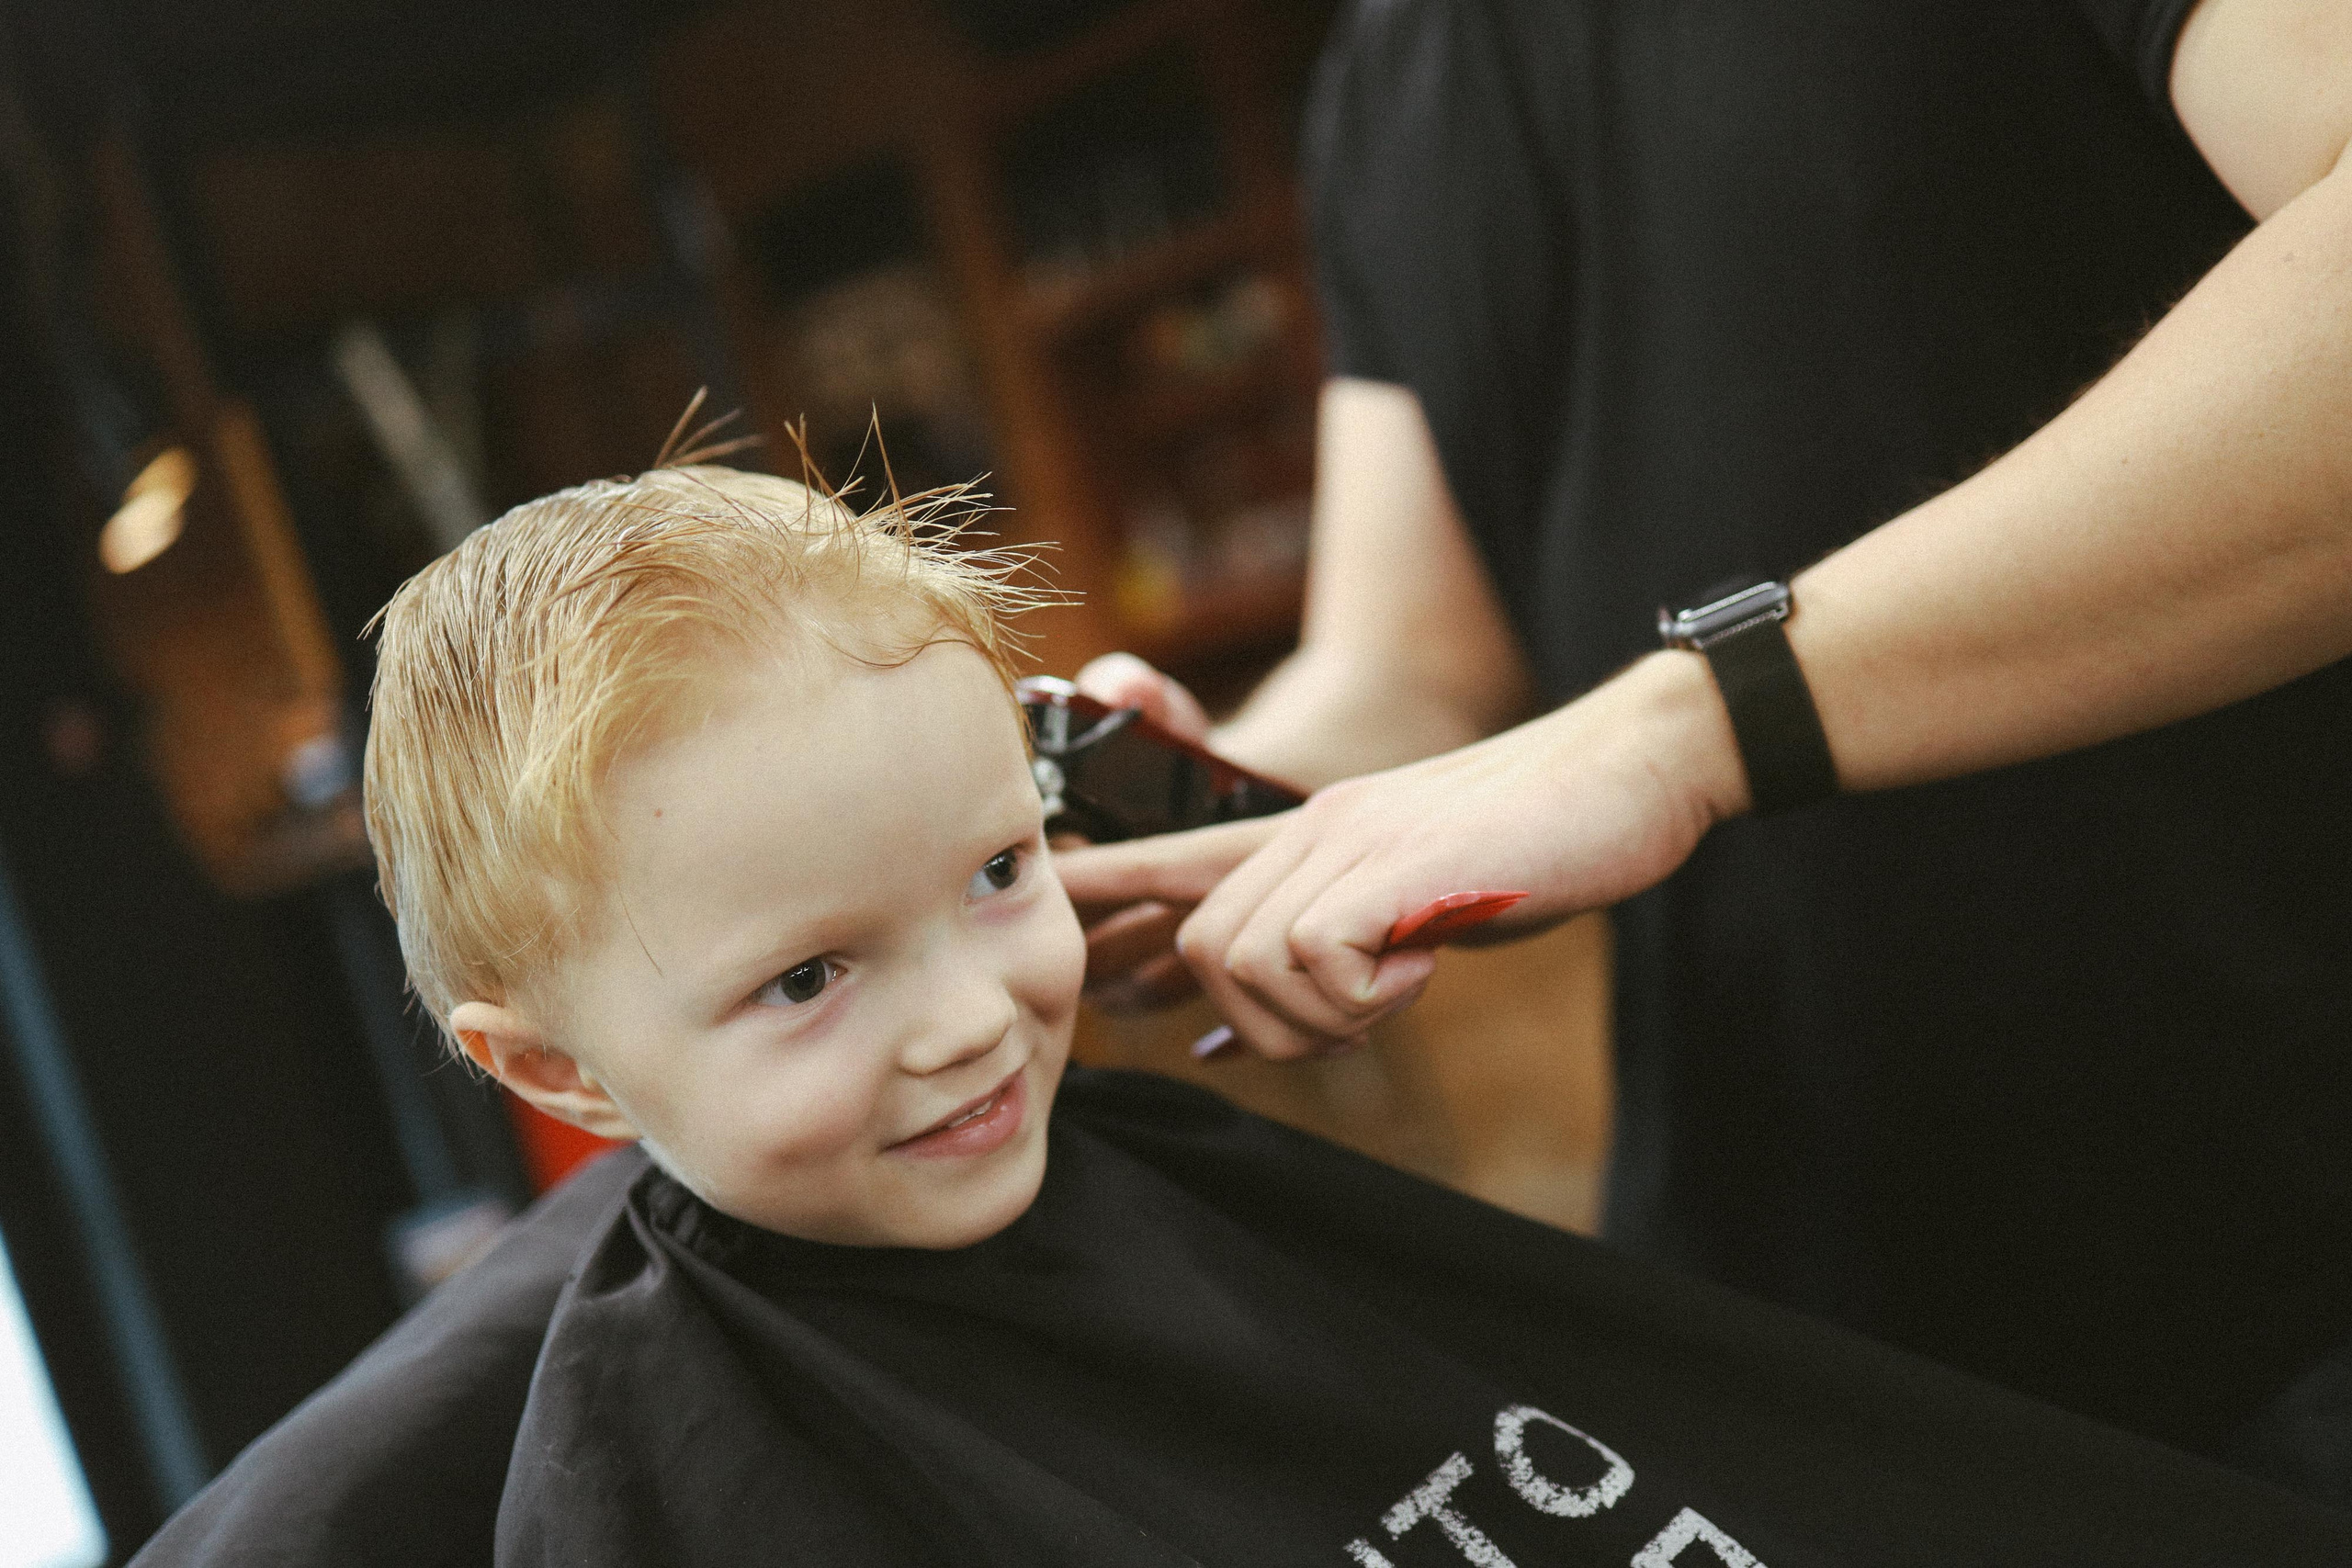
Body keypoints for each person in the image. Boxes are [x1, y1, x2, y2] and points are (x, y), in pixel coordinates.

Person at [131, 460, 2352, 1565]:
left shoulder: (1172, 1175)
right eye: (807, 974)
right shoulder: (667, 1466)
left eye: (997, 869)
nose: (968, 1023)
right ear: (543, 1064)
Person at [1054, 0, 2352, 1481]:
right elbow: (1406, 664)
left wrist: (1684, 726)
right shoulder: (1392, 75)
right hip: (1803, 1327)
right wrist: (1204, 812)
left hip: (2282, 1247)